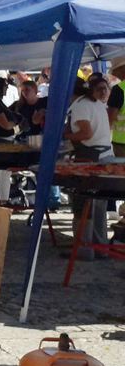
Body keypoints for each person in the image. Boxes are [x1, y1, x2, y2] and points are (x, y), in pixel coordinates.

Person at [66, 74, 114, 260]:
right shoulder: (96, 103)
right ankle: (100, 247)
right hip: (105, 154)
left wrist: (65, 136)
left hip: (91, 158)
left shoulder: (80, 105)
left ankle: (84, 249)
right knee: (99, 205)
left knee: (83, 203)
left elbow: (86, 134)